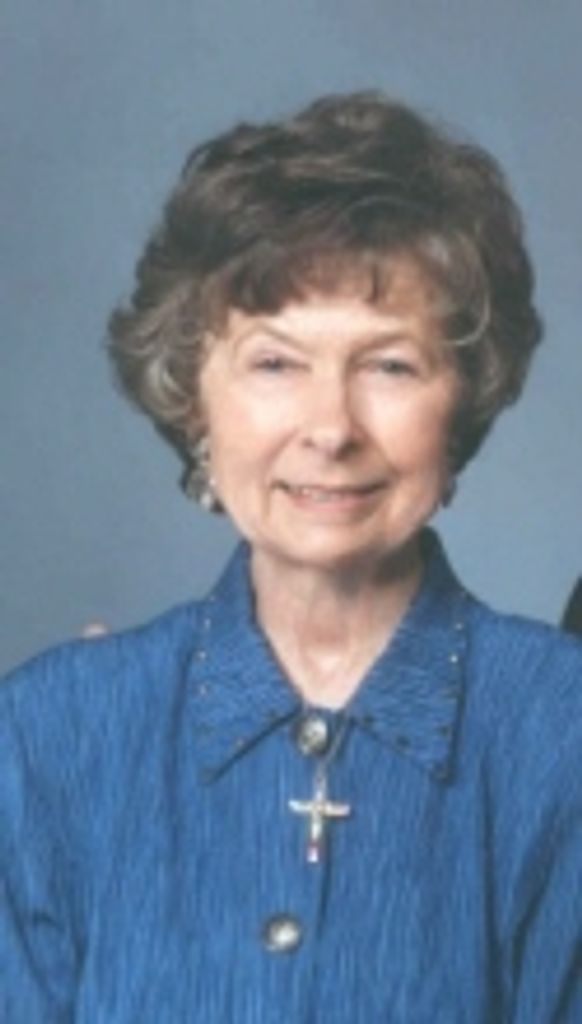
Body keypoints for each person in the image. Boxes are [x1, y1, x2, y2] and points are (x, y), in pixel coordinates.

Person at [1, 91, 581, 1023]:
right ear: (194, 400)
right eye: (275, 363)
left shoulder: (563, 729)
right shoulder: (49, 732)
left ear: (462, 403)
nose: (329, 428)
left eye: (389, 365)